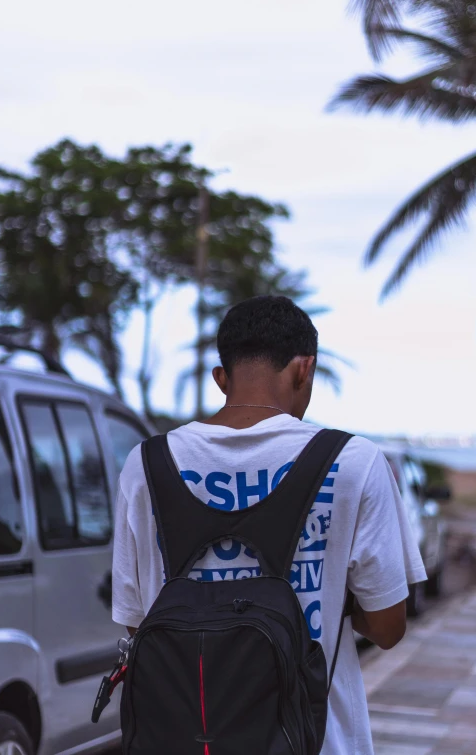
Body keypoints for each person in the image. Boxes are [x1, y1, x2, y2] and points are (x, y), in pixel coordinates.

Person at [112, 295, 427, 755]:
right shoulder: (353, 462)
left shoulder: (146, 465)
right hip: (318, 741)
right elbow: (387, 627)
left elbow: (138, 626)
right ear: (304, 369)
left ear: (221, 378)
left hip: (186, 740)